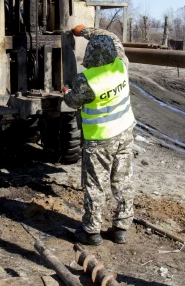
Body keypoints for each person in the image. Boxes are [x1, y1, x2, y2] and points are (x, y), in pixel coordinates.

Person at [63, 24, 136, 245]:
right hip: (125, 133)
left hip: (100, 141)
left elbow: (71, 102)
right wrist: (86, 29)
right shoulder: (121, 65)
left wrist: (66, 92)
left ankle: (92, 232)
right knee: (123, 181)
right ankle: (121, 228)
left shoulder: (86, 80)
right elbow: (112, 37)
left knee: (95, 184)